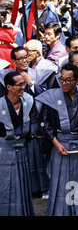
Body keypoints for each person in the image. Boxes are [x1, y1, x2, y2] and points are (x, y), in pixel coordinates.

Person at [36, 63, 78, 216]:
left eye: (68, 80)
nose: (64, 83)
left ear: (77, 81)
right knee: (60, 181)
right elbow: (46, 126)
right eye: (62, 79)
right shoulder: (53, 98)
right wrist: (56, 144)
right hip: (61, 143)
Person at [0, 71, 36, 216]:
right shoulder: (1, 104)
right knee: (5, 184)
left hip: (22, 149)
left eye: (24, 84)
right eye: (20, 84)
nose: (23, 87)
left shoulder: (28, 100)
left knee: (21, 183)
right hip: (4, 150)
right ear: (9, 87)